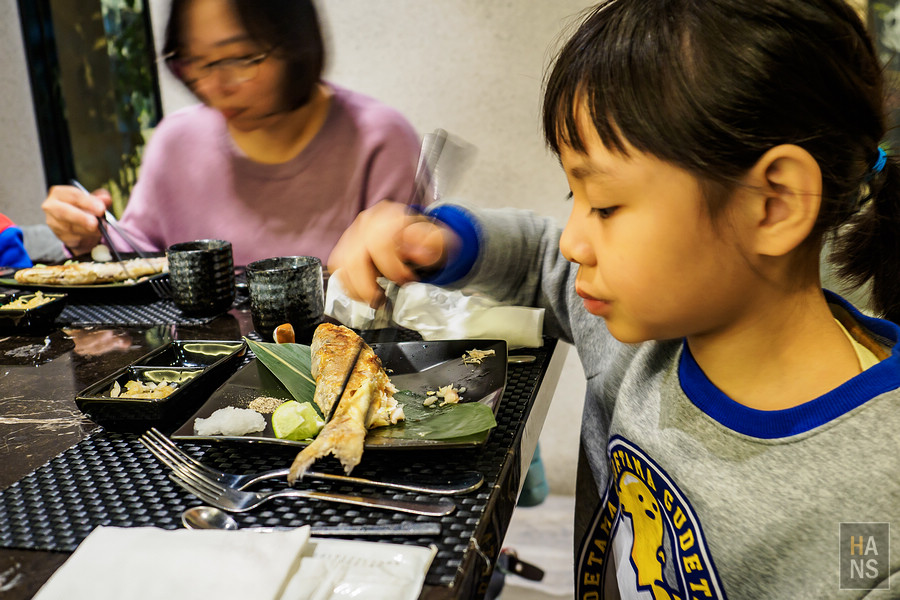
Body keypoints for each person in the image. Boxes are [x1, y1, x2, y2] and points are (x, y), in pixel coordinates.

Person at [327, 0, 900, 596]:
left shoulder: (874, 514)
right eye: (572, 197)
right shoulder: (644, 327)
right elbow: (541, 259)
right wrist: (436, 243)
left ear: (773, 205)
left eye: (604, 205)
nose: (574, 240)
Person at [40, 0, 421, 266]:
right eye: (194, 62)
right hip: (196, 359)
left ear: (295, 42)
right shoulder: (177, 141)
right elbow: (142, 255)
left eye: (239, 58)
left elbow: (417, 292)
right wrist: (89, 235)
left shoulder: (377, 139)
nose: (213, 86)